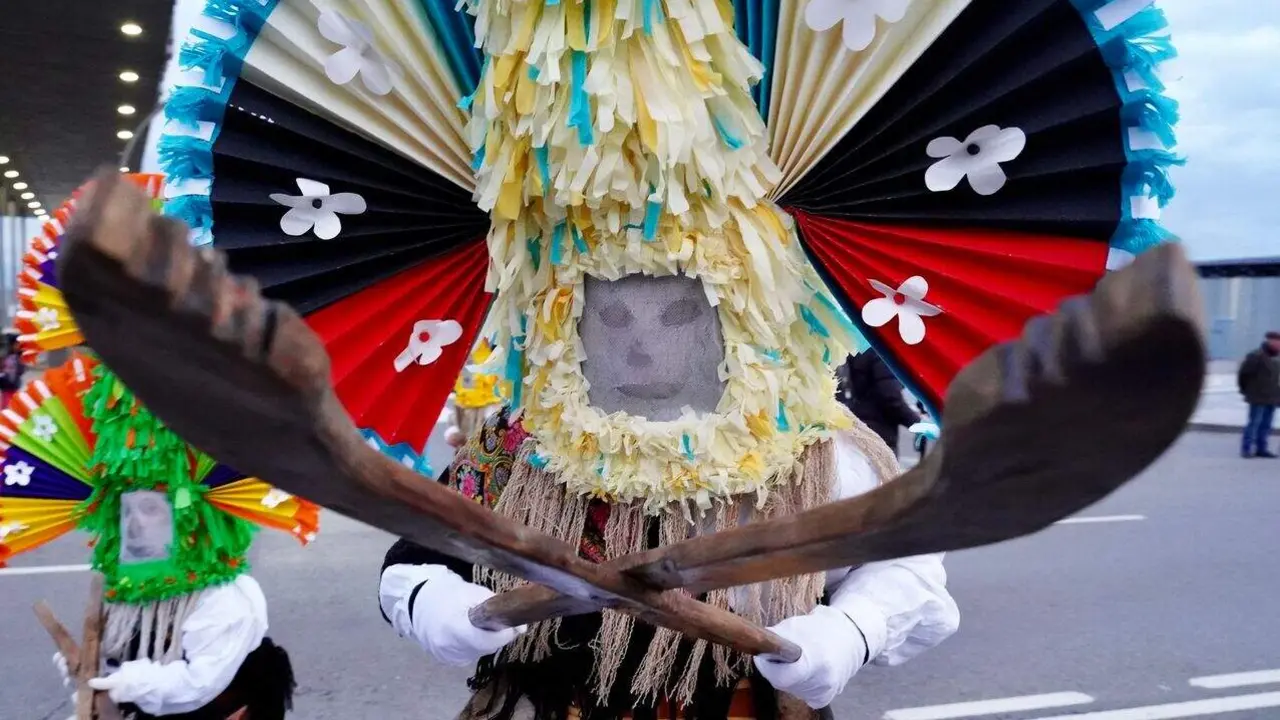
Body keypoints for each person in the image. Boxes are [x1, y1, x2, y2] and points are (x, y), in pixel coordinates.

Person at [0, 353, 318, 719]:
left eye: (151, 509)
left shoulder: (226, 600)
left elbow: (199, 684)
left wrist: (128, 685)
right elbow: (114, 674)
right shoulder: (124, 598)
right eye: (126, 511)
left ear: (191, 518)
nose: (135, 524)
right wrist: (89, 672)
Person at [838, 352, 921, 455]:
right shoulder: (881, 354)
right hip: (879, 433)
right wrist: (916, 422)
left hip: (857, 426)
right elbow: (891, 397)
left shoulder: (860, 350)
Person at [1237, 331, 1280, 458]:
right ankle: (1247, 449)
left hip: (1272, 397)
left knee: (1266, 425)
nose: (1278, 344)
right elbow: (1243, 374)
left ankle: (1262, 448)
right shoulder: (1256, 356)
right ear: (1269, 341)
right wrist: (1245, 390)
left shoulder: (1277, 358)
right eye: (1276, 341)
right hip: (1257, 396)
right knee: (1254, 423)